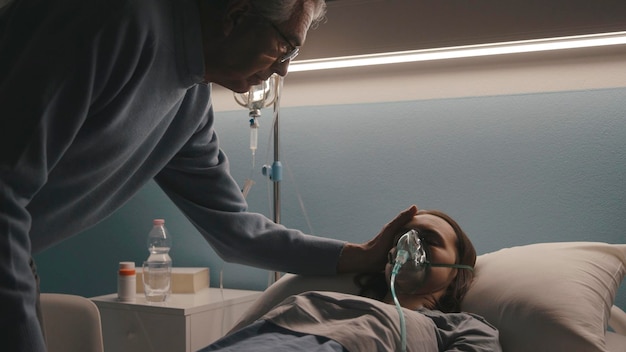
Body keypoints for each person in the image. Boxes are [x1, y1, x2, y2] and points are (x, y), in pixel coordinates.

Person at [0, 0, 419, 350]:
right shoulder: (113, 19)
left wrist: (357, 255)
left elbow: (237, 232)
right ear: (235, 15)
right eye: (287, 46)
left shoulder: (188, 103)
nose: (284, 70)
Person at [200, 210, 501, 351]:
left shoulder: (461, 327)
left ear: (456, 269)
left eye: (429, 239)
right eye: (402, 237)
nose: (409, 245)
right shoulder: (329, 299)